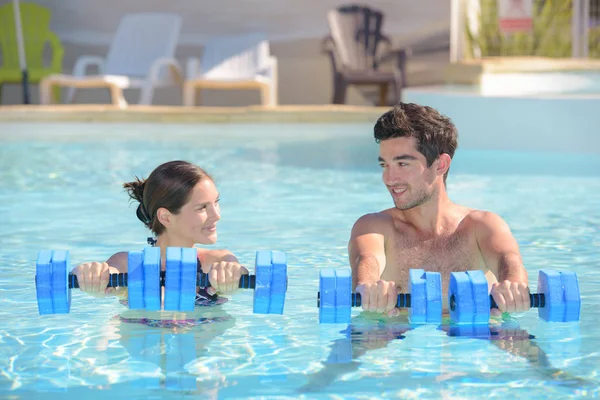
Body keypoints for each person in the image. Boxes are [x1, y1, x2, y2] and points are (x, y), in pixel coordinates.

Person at [349, 102, 530, 318]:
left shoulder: (481, 226)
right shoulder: (374, 227)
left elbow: (508, 261)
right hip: (399, 341)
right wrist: (368, 286)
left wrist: (514, 286)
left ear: (440, 165)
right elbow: (367, 260)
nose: (389, 178)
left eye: (403, 164)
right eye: (384, 165)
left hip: (477, 339)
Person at [71, 160, 248, 308]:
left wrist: (234, 277)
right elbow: (109, 277)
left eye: (216, 203)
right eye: (202, 207)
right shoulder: (127, 264)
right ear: (166, 217)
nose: (217, 215)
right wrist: (91, 275)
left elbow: (238, 276)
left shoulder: (219, 262)